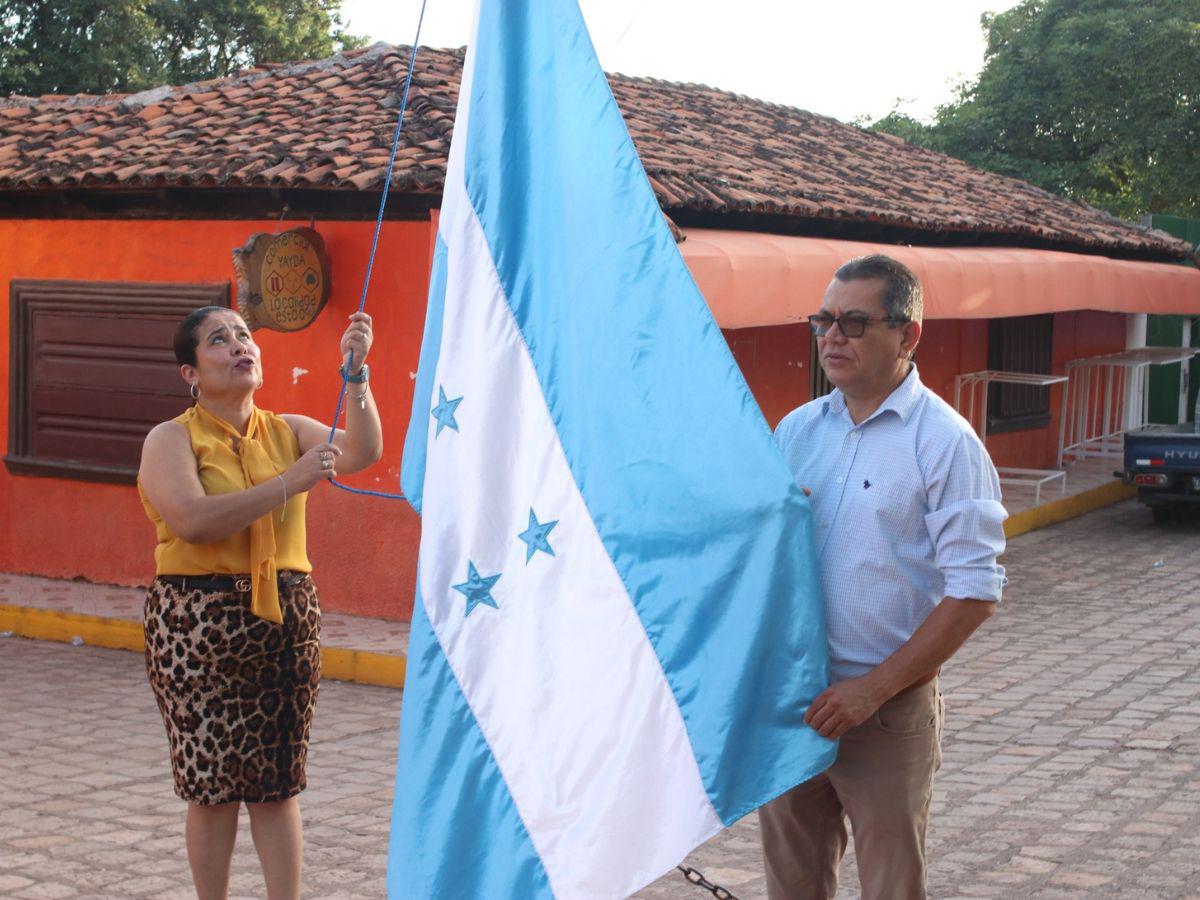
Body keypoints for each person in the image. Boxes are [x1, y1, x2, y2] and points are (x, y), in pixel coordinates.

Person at [759, 255, 1006, 899]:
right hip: (794, 702)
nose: (832, 337)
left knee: (892, 886)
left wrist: (871, 690)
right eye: (823, 320)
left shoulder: (945, 443)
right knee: (791, 882)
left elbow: (974, 592)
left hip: (885, 712)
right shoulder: (796, 431)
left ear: (908, 335)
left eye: (854, 322)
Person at [137, 306, 382, 900]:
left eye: (244, 336)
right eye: (219, 340)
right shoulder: (172, 439)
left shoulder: (287, 429)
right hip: (196, 626)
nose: (239, 346)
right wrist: (288, 483)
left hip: (286, 622)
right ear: (191, 373)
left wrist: (356, 377)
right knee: (211, 788)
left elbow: (362, 452)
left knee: (278, 785)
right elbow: (193, 521)